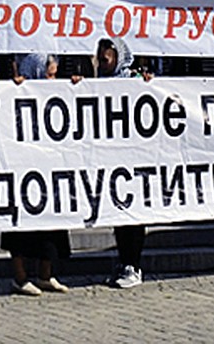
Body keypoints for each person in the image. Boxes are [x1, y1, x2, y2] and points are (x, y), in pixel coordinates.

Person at [2, 0, 70, 295]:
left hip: (48, 125)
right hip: (20, 127)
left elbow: (56, 62)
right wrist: (12, 79)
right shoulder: (8, 25)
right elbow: (2, 61)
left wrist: (60, 76)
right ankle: (19, 276)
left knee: (53, 201)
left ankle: (46, 271)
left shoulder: (48, 25)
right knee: (20, 202)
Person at [74, 38, 150, 289]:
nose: (102, 65)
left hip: (134, 159)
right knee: (119, 213)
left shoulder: (135, 81)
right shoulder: (100, 84)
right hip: (112, 160)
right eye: (100, 60)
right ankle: (124, 262)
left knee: (133, 215)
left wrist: (148, 83)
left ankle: (134, 265)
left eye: (106, 60)